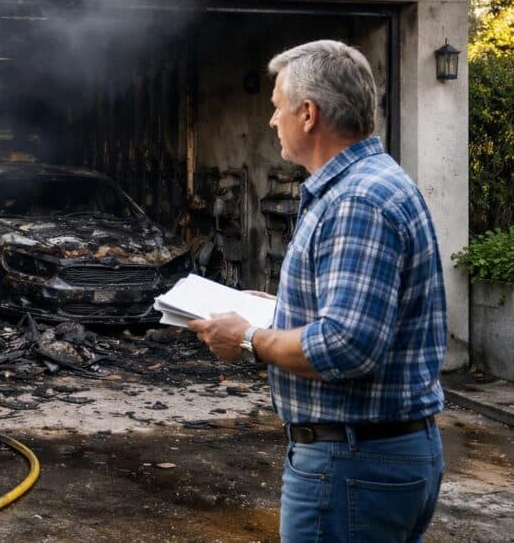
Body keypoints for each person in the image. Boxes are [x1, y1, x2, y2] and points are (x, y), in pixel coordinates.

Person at [188, 40, 447, 542]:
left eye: (276, 107)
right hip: (371, 459)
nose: (271, 121)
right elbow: (351, 314)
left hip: (353, 463)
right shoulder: (372, 185)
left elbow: (347, 345)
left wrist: (247, 340)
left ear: (308, 114)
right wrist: (276, 310)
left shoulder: (357, 201)